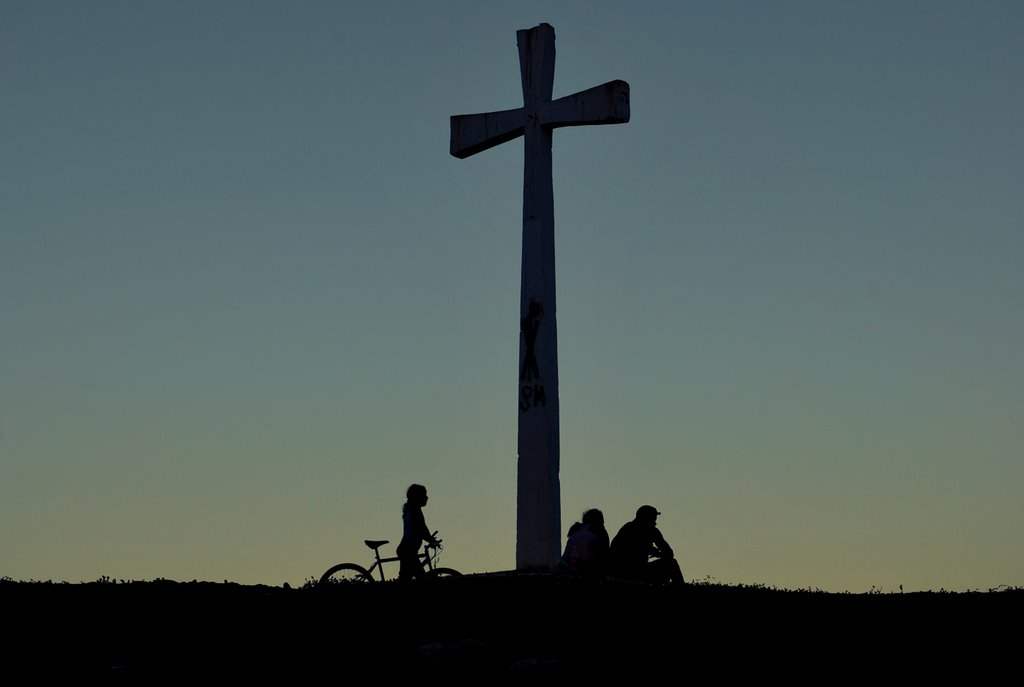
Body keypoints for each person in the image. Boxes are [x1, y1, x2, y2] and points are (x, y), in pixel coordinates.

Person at [610, 505, 685, 585]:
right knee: (671, 564)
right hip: (626, 573)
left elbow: (669, 553)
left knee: (671, 563)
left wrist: (658, 553)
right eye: (653, 519)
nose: (655, 523)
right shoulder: (628, 530)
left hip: (642, 570)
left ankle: (679, 586)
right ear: (645, 519)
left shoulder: (653, 531)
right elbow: (615, 554)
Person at [396, 484, 439, 581]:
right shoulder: (415, 511)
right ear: (416, 497)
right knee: (422, 578)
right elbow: (419, 529)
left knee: (406, 578)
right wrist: (430, 540)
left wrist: (430, 539)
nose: (427, 497)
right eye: (424, 495)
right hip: (408, 551)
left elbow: (423, 527)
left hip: (407, 550)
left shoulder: (412, 510)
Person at [561, 508, 610, 576]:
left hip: (567, 571)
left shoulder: (575, 532)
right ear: (600, 522)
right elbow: (604, 559)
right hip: (589, 574)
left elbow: (564, 558)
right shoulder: (599, 533)